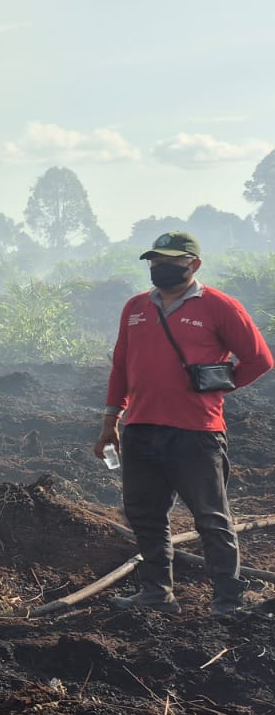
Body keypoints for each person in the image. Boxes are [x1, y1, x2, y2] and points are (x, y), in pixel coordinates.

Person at [97, 232, 272, 615]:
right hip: (141, 428)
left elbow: (259, 359)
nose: (161, 267)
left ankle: (227, 601)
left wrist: (217, 386)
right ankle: (157, 594)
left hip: (197, 431)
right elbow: (121, 366)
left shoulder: (219, 306)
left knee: (211, 517)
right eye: (155, 261)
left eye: (171, 261)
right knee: (145, 514)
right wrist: (111, 420)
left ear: (194, 264)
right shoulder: (136, 307)